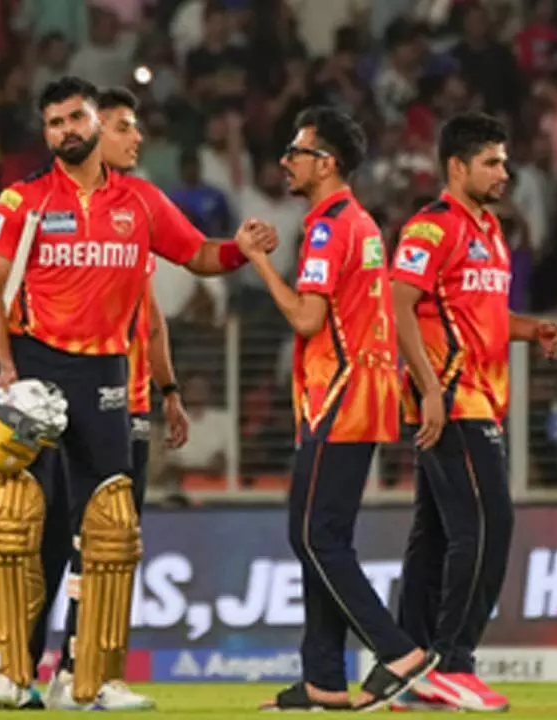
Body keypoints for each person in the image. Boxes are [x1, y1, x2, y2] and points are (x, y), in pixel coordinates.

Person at [0, 76, 275, 709]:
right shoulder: (22, 200)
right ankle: (8, 671)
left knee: (108, 529)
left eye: (75, 118)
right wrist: (6, 368)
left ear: (94, 121)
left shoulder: (140, 201)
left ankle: (92, 680)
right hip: (35, 368)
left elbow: (197, 255)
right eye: (54, 123)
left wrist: (240, 252)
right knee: (20, 521)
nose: (66, 131)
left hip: (107, 374)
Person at [243, 106, 438, 712]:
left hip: (340, 394)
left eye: (296, 151)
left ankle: (397, 650)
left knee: (313, 535)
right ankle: (324, 678)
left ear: (325, 163)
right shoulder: (360, 222)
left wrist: (258, 262)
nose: (286, 161)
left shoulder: (329, 228)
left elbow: (307, 318)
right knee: (323, 536)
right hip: (361, 392)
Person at [387, 113, 557, 712]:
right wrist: (430, 389)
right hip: (453, 400)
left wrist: (531, 329)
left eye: (504, 161)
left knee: (435, 535)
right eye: (491, 162)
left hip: (479, 398)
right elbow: (399, 305)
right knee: (489, 525)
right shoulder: (432, 226)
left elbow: (480, 315)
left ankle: (410, 667)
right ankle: (452, 663)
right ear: (457, 167)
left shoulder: (489, 229)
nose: (504, 172)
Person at [32, 86, 191, 712]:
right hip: (80, 398)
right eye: (123, 127)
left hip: (132, 401)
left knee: (112, 543)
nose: (135, 138)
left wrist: (169, 390)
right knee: (64, 539)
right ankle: (38, 667)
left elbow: (152, 321)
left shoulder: (134, 218)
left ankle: (83, 670)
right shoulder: (57, 210)